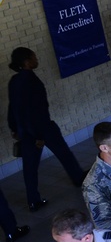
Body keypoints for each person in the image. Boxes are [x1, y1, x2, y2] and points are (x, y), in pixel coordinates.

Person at [7, 47, 86, 211]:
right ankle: (78, 178)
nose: (37, 59)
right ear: (27, 62)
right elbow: (35, 110)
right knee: (64, 153)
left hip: (25, 131)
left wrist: (15, 128)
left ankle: (33, 200)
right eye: (34, 57)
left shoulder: (14, 81)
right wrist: (38, 136)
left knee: (30, 167)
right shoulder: (31, 81)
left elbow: (13, 107)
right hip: (41, 129)